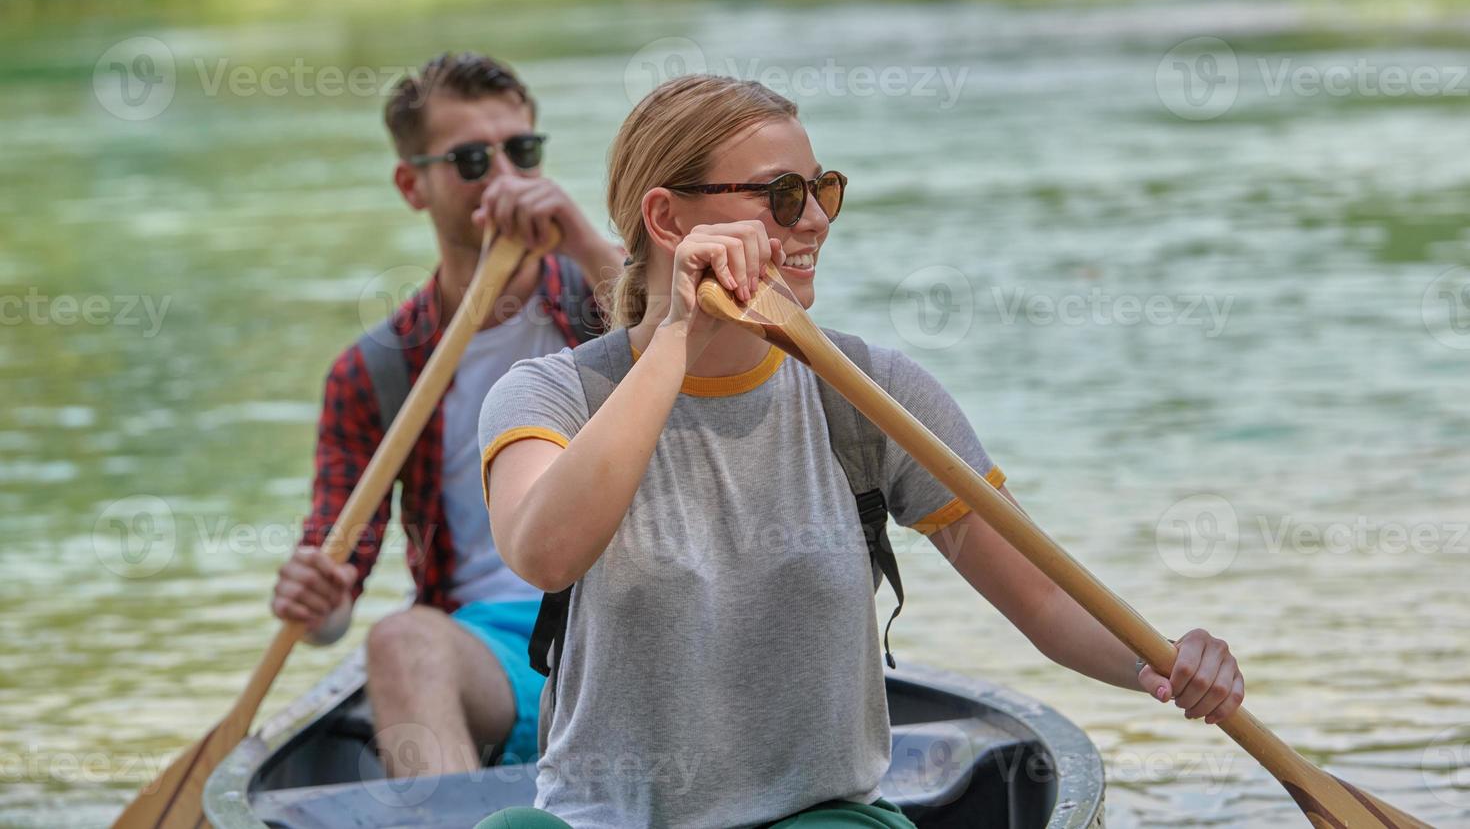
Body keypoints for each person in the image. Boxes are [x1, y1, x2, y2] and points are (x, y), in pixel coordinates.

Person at [474, 75, 1245, 827]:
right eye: (781, 195)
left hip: (820, 817)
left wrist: (1159, 661)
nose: (814, 220)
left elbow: (1044, 597)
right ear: (668, 220)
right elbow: (547, 553)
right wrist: (677, 334)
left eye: (823, 189)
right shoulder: (550, 395)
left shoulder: (870, 391)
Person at [270, 52, 624, 777]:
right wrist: (317, 603)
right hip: (499, 655)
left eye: (521, 153)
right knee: (399, 641)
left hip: (642, 626)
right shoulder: (374, 373)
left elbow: (696, 345)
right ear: (412, 185)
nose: (503, 179)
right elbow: (335, 600)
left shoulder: (607, 295)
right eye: (470, 159)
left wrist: (586, 242)